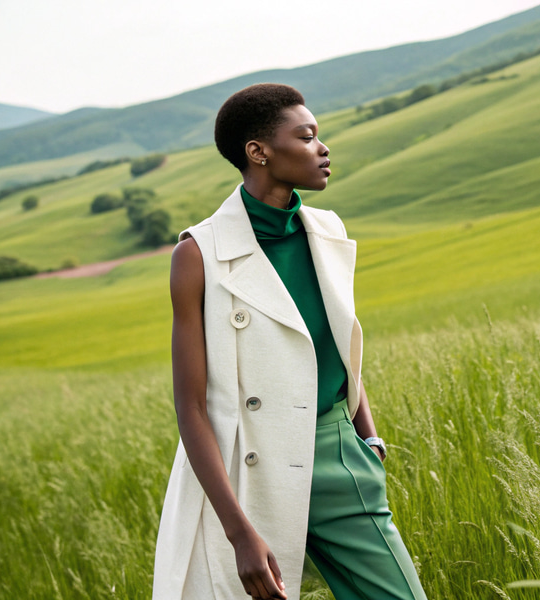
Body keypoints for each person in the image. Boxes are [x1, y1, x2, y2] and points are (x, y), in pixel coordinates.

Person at [153, 83, 427, 600]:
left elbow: (337, 345)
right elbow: (191, 405)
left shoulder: (327, 231)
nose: (323, 149)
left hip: (338, 453)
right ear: (258, 152)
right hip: (246, 474)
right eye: (306, 137)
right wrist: (238, 532)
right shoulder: (198, 255)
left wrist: (368, 439)